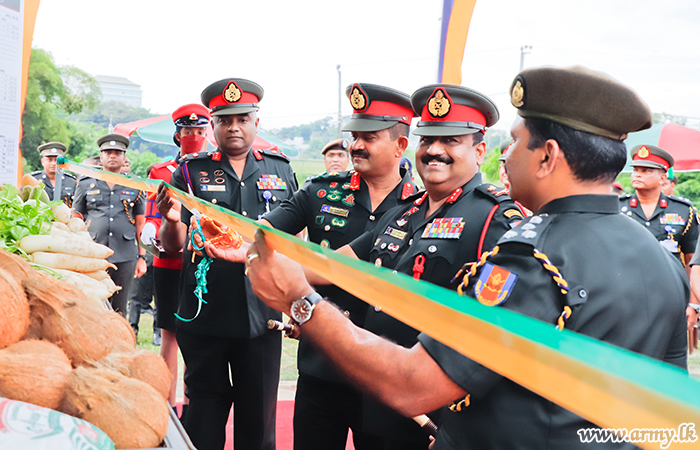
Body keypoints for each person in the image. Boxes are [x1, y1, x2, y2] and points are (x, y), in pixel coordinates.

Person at [243, 65, 689, 449]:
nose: (506, 156)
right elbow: (667, 411)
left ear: (547, 156)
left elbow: (414, 384)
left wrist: (302, 302)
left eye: (515, 143)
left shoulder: (532, 256)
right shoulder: (661, 259)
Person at [331, 84, 523, 449]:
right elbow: (336, 263)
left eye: (451, 141)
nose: (434, 150)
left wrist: (460, 427)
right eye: (427, 139)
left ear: (479, 151)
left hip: (438, 416)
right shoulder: (402, 213)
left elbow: (496, 332)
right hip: (380, 397)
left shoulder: (493, 218)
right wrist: (263, 255)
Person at [251, 83, 418, 450]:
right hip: (321, 368)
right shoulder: (320, 191)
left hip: (385, 374)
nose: (355, 145)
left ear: (400, 145)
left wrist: (302, 272)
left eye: (369, 137)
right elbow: (261, 235)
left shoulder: (421, 208)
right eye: (354, 136)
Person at [155, 78, 297, 450]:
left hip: (261, 311)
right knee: (203, 415)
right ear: (213, 125)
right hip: (205, 311)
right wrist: (171, 221)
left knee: (259, 419)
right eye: (225, 120)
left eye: (243, 118)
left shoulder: (281, 170)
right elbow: (174, 248)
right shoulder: (190, 171)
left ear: (256, 122)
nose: (234, 127)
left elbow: (295, 243)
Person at [145, 103, 211, 420]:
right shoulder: (160, 171)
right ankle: (167, 407)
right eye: (188, 131)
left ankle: (194, 407)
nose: (194, 136)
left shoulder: (215, 171)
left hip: (205, 265)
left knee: (200, 340)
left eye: (200, 131)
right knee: (169, 336)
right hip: (170, 264)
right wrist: (149, 229)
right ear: (177, 135)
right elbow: (152, 212)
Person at [72, 134, 147, 316]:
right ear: (102, 157)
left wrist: (142, 257)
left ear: (124, 157)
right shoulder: (86, 183)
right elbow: (76, 217)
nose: (112, 155)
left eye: (117, 152)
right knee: (92, 302)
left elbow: (140, 222)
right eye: (108, 152)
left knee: (120, 305)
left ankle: (121, 342)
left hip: (125, 254)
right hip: (93, 253)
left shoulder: (135, 184)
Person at [619, 144, 698, 268]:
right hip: (625, 282)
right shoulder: (617, 207)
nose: (637, 175)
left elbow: (691, 259)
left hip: (669, 283)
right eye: (635, 170)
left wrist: (688, 287)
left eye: (645, 171)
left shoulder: (682, 210)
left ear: (662, 178)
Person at [31, 142, 77, 207]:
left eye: (56, 160)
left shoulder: (71, 182)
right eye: (49, 160)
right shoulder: (33, 179)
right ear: (42, 162)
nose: (53, 163)